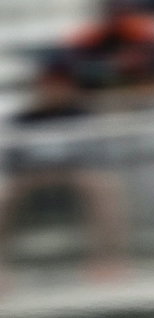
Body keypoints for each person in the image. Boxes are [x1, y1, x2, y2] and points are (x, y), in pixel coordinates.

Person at [0, 57, 130, 291]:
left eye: (61, 85)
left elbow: (97, 154)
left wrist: (68, 168)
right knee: (4, 195)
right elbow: (12, 159)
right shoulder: (23, 120)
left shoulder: (84, 117)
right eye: (49, 86)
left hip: (75, 173)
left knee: (104, 187)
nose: (55, 91)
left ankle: (108, 259)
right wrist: (36, 172)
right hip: (32, 176)